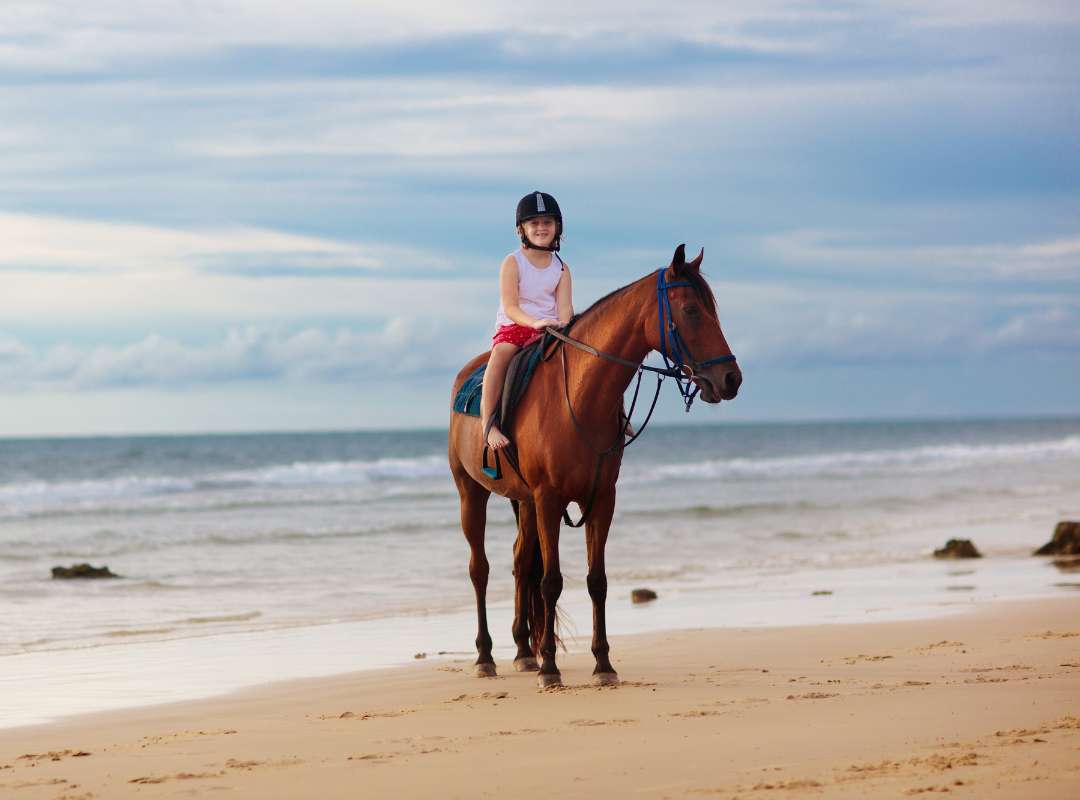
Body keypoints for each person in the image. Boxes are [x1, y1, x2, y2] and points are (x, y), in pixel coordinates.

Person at [481, 191, 573, 451]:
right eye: (534, 223)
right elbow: (511, 306)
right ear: (521, 229)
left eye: (547, 222)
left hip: (551, 330)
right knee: (500, 355)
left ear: (557, 227)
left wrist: (565, 326)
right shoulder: (513, 262)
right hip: (516, 327)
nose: (541, 228)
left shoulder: (562, 268)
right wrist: (534, 323)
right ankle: (488, 424)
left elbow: (564, 308)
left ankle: (618, 417)